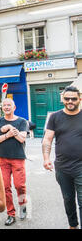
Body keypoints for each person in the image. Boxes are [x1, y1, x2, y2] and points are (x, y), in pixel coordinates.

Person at [42, 85, 82, 229]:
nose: (70, 101)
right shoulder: (55, 117)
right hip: (62, 167)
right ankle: (73, 225)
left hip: (81, 166)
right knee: (68, 199)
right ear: (62, 99)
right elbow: (47, 139)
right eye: (67, 98)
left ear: (80, 99)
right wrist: (46, 158)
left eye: (73, 98)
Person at [0, 98, 28, 226]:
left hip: (18, 158)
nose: (6, 107)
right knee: (5, 187)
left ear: (14, 107)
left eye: (9, 105)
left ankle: (23, 206)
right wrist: (7, 135)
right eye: (4, 105)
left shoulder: (22, 121)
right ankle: (10, 214)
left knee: (19, 186)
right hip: (2, 159)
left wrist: (11, 128)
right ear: (2, 108)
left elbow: (22, 139)